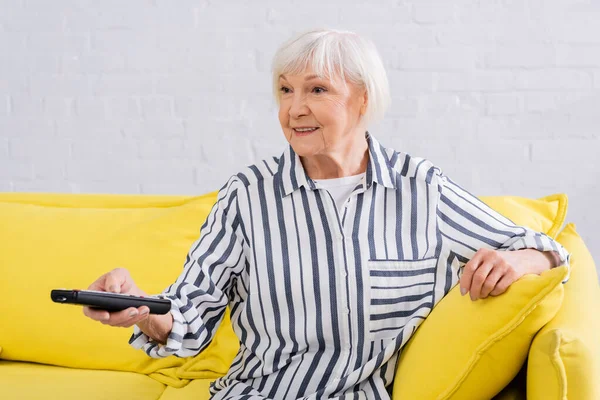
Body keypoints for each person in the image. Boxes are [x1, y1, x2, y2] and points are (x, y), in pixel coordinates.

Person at [83, 29, 571, 399]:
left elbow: (550, 251)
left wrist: (524, 261)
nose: (294, 108)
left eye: (316, 90)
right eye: (284, 90)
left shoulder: (421, 190)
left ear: (362, 99)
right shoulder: (246, 196)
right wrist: (141, 308)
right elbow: (189, 318)